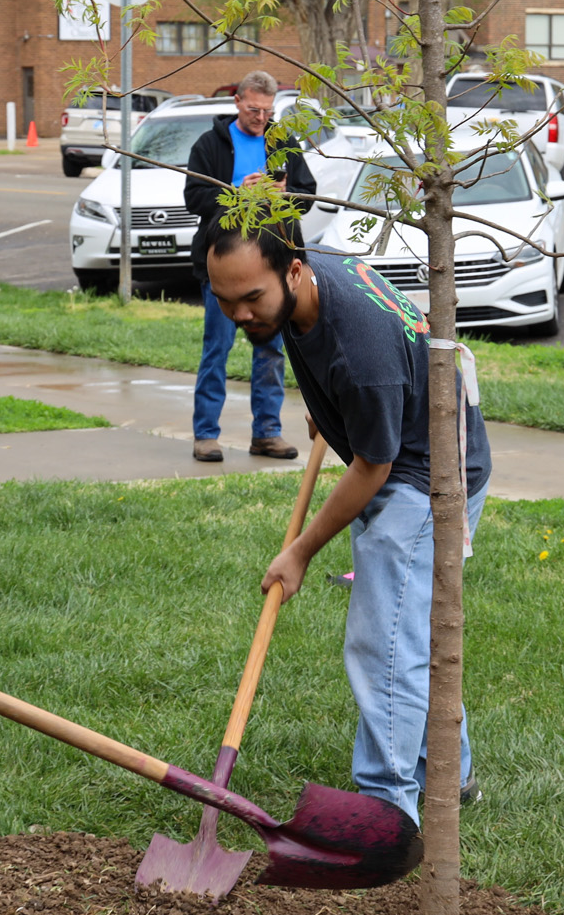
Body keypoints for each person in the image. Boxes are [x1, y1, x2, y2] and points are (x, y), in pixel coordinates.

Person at [206, 225, 489, 821]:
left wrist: (301, 552)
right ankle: (451, 773)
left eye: (251, 298)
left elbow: (373, 467)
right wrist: (329, 406)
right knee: (410, 635)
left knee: (382, 645)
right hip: (409, 446)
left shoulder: (359, 349)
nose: (238, 314)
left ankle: (388, 807)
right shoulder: (317, 278)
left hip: (426, 475)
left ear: (292, 270)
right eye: (224, 299)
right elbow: (345, 371)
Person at [183, 70, 316, 463]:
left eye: (267, 110)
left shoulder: (282, 143)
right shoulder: (211, 144)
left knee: (272, 351)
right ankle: (206, 435)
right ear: (238, 102)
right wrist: (238, 194)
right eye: (254, 109)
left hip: (273, 268)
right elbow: (194, 197)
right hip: (224, 268)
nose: (260, 117)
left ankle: (267, 434)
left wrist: (283, 193)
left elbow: (307, 195)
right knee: (217, 350)